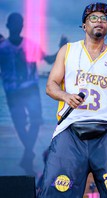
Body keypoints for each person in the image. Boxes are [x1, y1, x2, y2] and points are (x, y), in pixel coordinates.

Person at [38, 2, 107, 197]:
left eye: (104, 18)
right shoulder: (68, 51)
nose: (99, 21)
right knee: (57, 191)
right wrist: (65, 96)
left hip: (105, 133)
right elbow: (50, 85)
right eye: (93, 18)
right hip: (70, 130)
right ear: (84, 25)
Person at [0, 12, 67, 175]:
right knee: (20, 124)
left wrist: (61, 48)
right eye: (14, 23)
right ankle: (28, 154)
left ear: (22, 26)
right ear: (8, 26)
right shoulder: (2, 48)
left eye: (20, 23)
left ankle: (27, 154)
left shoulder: (30, 45)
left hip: (30, 88)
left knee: (36, 121)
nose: (17, 26)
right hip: (12, 91)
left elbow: (49, 60)